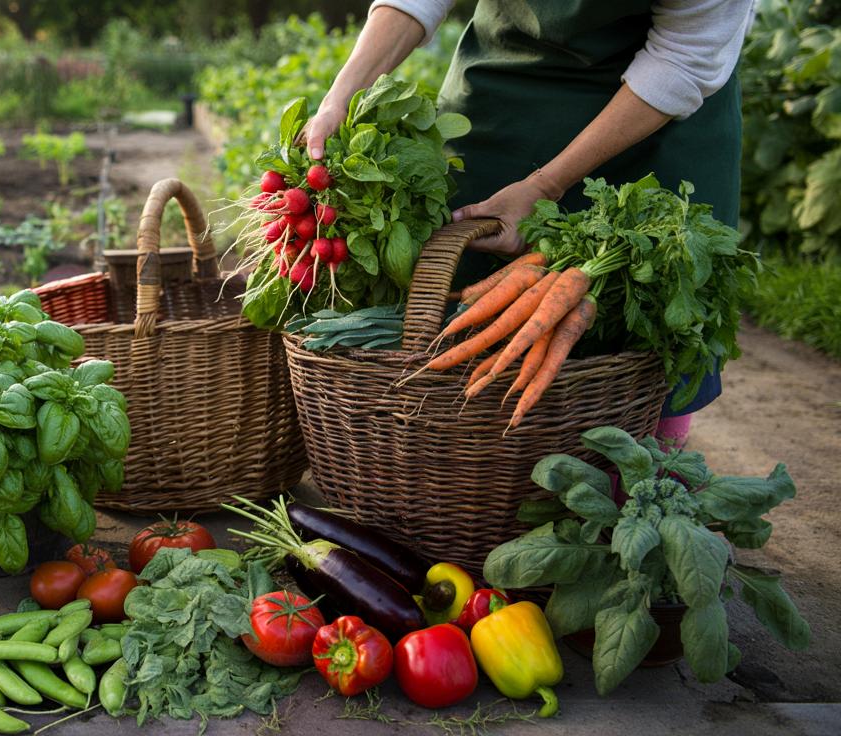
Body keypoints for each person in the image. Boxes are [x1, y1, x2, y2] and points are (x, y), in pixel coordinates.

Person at [301, 0, 756, 444]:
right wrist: (342, 96)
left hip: (657, 119)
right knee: (468, 292)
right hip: (510, 85)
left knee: (652, 317)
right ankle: (484, 458)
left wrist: (544, 185)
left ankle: (651, 461)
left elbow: (682, 59)